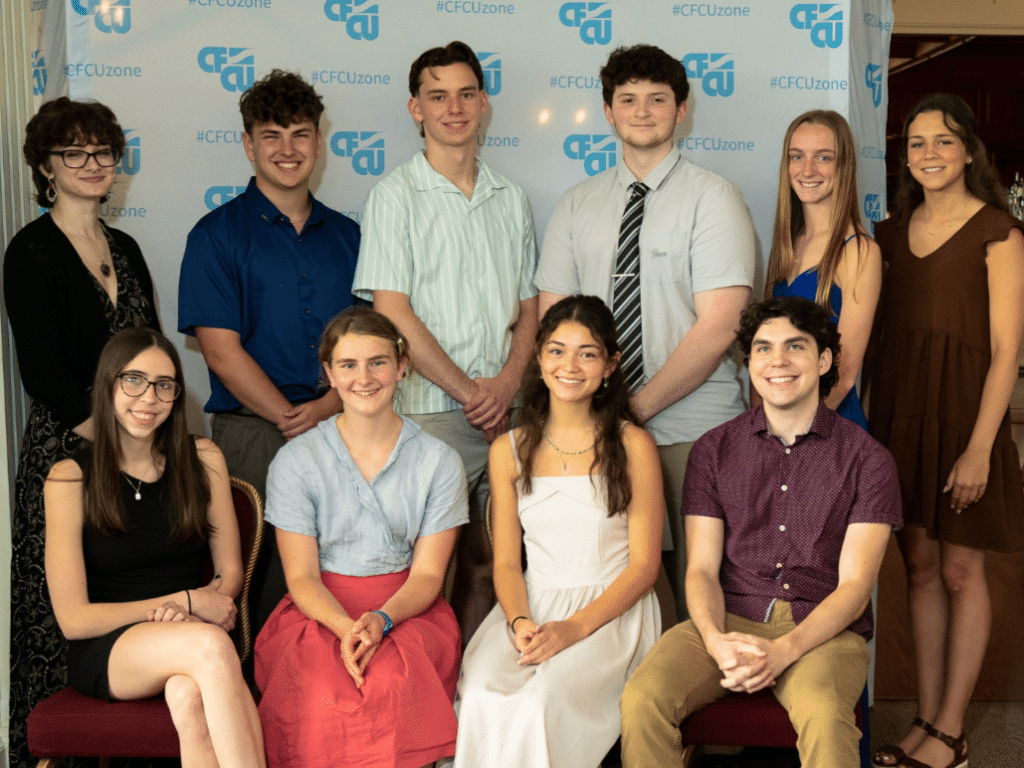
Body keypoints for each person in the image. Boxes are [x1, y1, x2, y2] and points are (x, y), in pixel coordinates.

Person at [621, 297, 902, 768]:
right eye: (763, 348)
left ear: (824, 359)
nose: (778, 361)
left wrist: (783, 650)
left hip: (823, 628)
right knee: (643, 696)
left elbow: (854, 589)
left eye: (796, 346)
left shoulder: (868, 460)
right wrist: (714, 640)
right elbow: (703, 570)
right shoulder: (713, 450)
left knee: (824, 711)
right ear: (748, 361)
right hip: (727, 618)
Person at [535, 44, 755, 622]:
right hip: (593, 434)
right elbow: (555, 329)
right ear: (607, 112)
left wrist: (634, 407)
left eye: (657, 99)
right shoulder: (576, 205)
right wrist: (602, 416)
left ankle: (697, 710)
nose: (641, 111)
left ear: (682, 109)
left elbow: (722, 324)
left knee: (700, 588)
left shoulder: (715, 199)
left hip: (693, 432)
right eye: (627, 99)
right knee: (614, 589)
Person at [353, 41, 538, 643]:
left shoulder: (511, 199)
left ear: (484, 103)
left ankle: (477, 702)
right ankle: (428, 711)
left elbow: (531, 307)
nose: (453, 108)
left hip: (508, 415)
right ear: (416, 109)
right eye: (438, 96)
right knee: (428, 569)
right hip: (431, 416)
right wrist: (471, 394)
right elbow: (392, 312)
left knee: (497, 564)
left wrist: (507, 384)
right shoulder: (394, 197)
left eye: (465, 94)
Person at [867, 93, 1024, 768]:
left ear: (968, 151)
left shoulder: (1000, 232)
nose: (929, 154)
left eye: (943, 140)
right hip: (900, 415)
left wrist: (981, 448)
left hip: (966, 420)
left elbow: (1006, 350)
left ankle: (954, 734)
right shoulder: (885, 234)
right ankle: (926, 723)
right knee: (920, 569)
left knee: (963, 571)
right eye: (916, 143)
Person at [3, 96, 160, 768]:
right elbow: (46, 373)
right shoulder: (30, 251)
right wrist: (120, 445)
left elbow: (150, 351)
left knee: (132, 592)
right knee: (55, 613)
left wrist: (145, 446)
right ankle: (50, 749)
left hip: (137, 454)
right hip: (67, 456)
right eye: (75, 153)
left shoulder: (124, 247)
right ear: (47, 166)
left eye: (104, 151)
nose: (94, 164)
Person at [178, 69, 360, 626]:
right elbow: (219, 351)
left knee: (342, 568)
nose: (288, 149)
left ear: (319, 142)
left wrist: (328, 408)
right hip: (254, 434)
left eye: (301, 133)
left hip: (342, 426)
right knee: (258, 575)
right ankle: (252, 701)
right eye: (272, 135)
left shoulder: (351, 236)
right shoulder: (215, 235)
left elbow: (368, 340)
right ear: (248, 143)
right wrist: (288, 417)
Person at [254, 307, 468, 768]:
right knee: (321, 685)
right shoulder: (295, 461)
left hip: (406, 609)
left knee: (389, 680)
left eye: (378, 362)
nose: (364, 377)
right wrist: (346, 629)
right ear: (329, 374)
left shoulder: (439, 461)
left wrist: (382, 620)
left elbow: (430, 573)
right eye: (348, 365)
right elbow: (302, 576)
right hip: (319, 610)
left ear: (402, 366)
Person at [453, 295, 662, 767]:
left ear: (610, 364)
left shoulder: (633, 445)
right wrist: (521, 623)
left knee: (539, 701)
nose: (570, 365)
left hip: (610, 614)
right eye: (556, 350)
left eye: (587, 353)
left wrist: (572, 629)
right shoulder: (508, 449)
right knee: (483, 691)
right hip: (531, 605)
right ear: (539, 358)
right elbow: (507, 563)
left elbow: (645, 568)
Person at [43, 328, 265, 768]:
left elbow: (229, 572)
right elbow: (73, 620)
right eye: (134, 380)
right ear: (109, 384)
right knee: (209, 648)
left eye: (164, 385)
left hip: (189, 627)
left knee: (188, 695)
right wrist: (180, 603)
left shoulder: (203, 458)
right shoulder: (69, 478)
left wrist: (200, 606)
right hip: (110, 647)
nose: (149, 397)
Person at [767, 110, 882, 430]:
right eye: (797, 156)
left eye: (823, 158)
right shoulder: (788, 243)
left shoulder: (859, 250)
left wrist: (790, 435)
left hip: (827, 428)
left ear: (843, 165)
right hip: (777, 428)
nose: (807, 169)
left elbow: (843, 376)